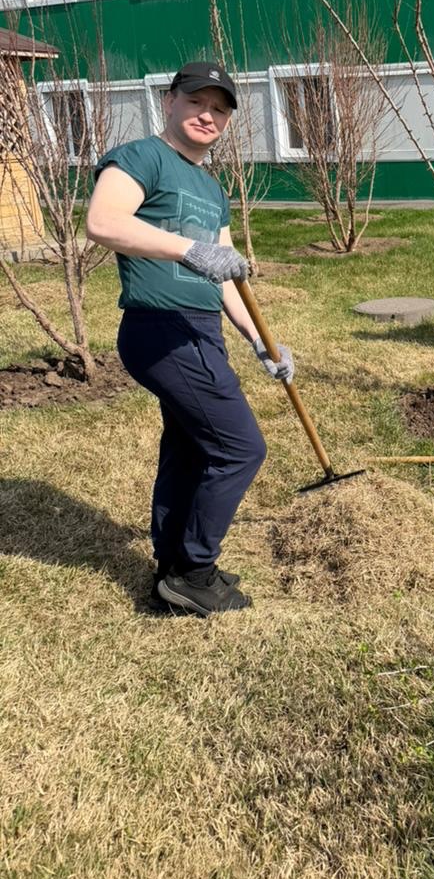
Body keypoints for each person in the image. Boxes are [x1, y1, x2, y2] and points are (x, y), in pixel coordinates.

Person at [86, 62, 295, 617]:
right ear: (170, 101)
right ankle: (195, 573)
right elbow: (103, 221)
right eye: (197, 101)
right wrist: (187, 249)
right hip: (161, 327)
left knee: (190, 446)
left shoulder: (210, 187)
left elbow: (224, 273)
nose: (208, 115)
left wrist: (260, 341)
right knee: (240, 448)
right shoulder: (141, 157)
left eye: (220, 109)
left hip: (201, 328)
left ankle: (172, 565)